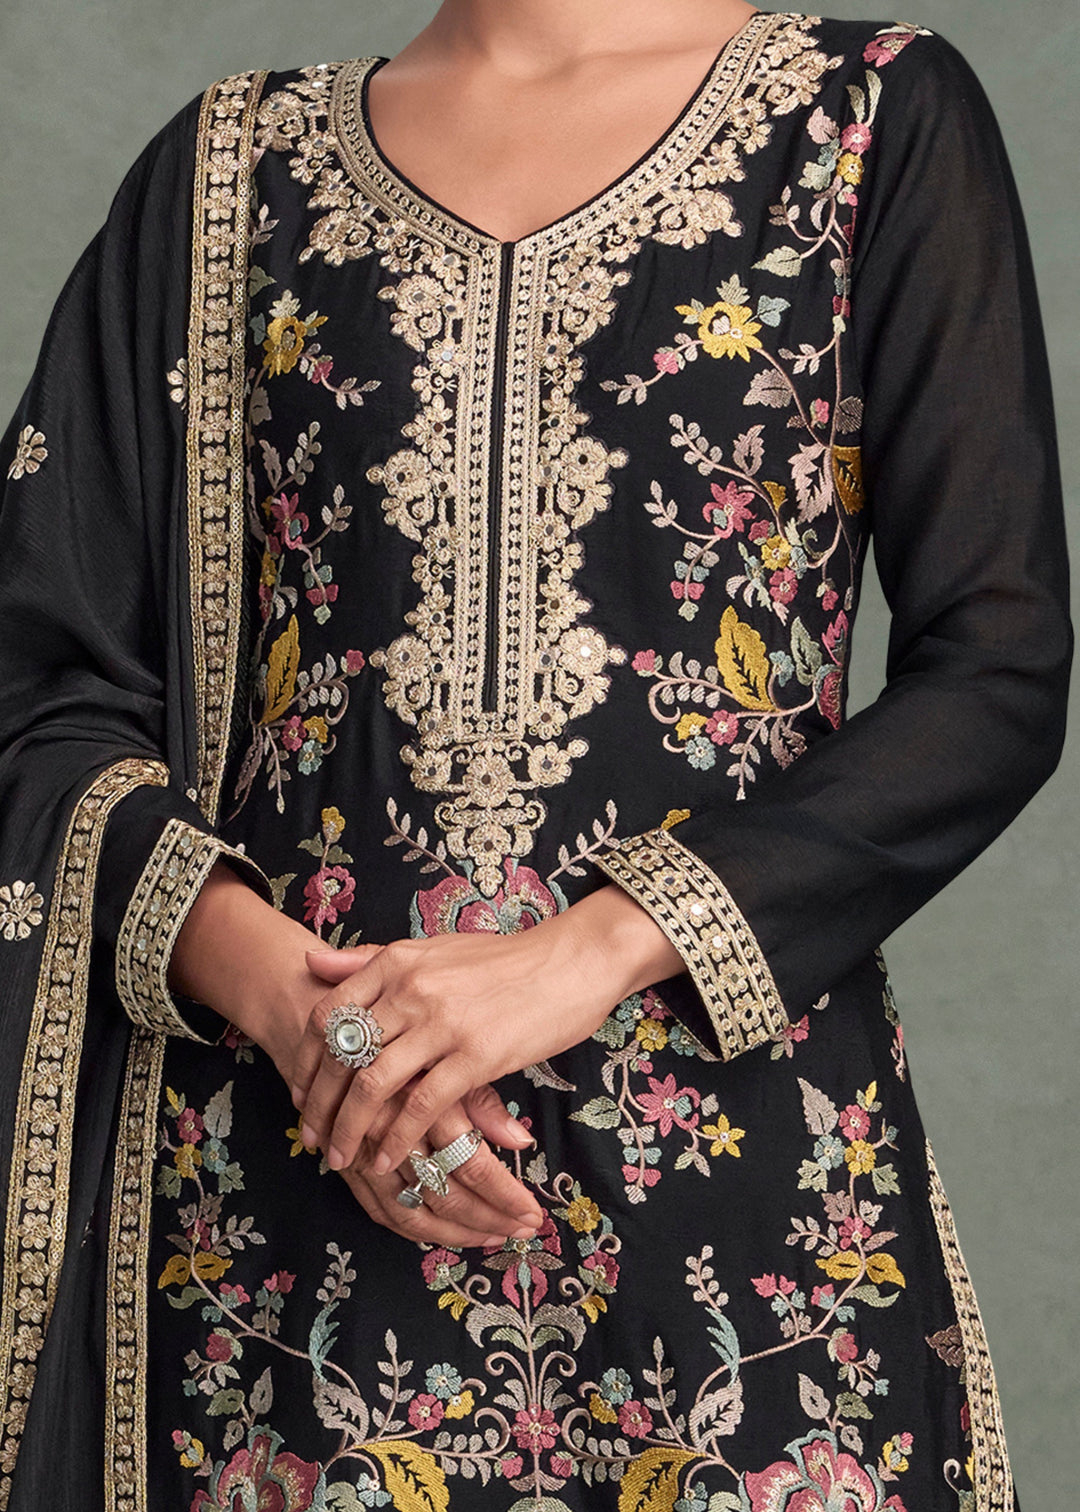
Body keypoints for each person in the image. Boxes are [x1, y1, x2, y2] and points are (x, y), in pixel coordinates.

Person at [0, 0, 1069, 1506]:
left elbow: (997, 668)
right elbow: (40, 686)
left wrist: (588, 953)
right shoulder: (234, 168)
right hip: (297, 1216)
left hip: (740, 1217)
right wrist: (301, 1012)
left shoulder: (867, 118)